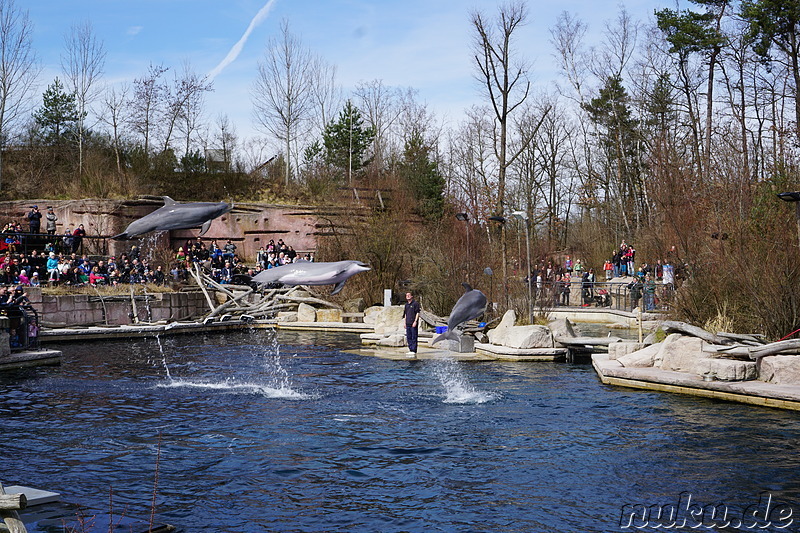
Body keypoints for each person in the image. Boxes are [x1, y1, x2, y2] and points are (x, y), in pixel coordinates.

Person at [402, 291, 421, 358]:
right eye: (406, 295)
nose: (407, 296)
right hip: (407, 323)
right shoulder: (406, 305)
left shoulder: (415, 304)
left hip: (413, 323)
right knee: (408, 337)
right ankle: (410, 349)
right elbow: (405, 314)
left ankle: (414, 350)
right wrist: (404, 323)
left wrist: (415, 321)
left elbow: (418, 313)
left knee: (414, 336)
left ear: (412, 296)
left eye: (409, 295)